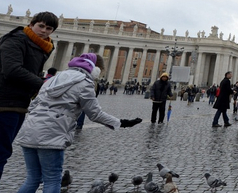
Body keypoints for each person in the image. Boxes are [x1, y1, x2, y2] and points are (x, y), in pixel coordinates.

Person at [14, 53, 142, 193]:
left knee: (33, 178)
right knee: (52, 179)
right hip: (53, 133)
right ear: (95, 69)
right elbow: (95, 114)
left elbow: (33, 105)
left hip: (30, 129)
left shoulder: (54, 79)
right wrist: (121, 122)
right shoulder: (85, 83)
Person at [0, 11, 58, 193]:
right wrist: (44, 84)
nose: (44, 31)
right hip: (1, 103)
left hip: (16, 104)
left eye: (49, 28)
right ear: (32, 24)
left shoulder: (40, 46)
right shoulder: (16, 40)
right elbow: (12, 69)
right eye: (41, 26)